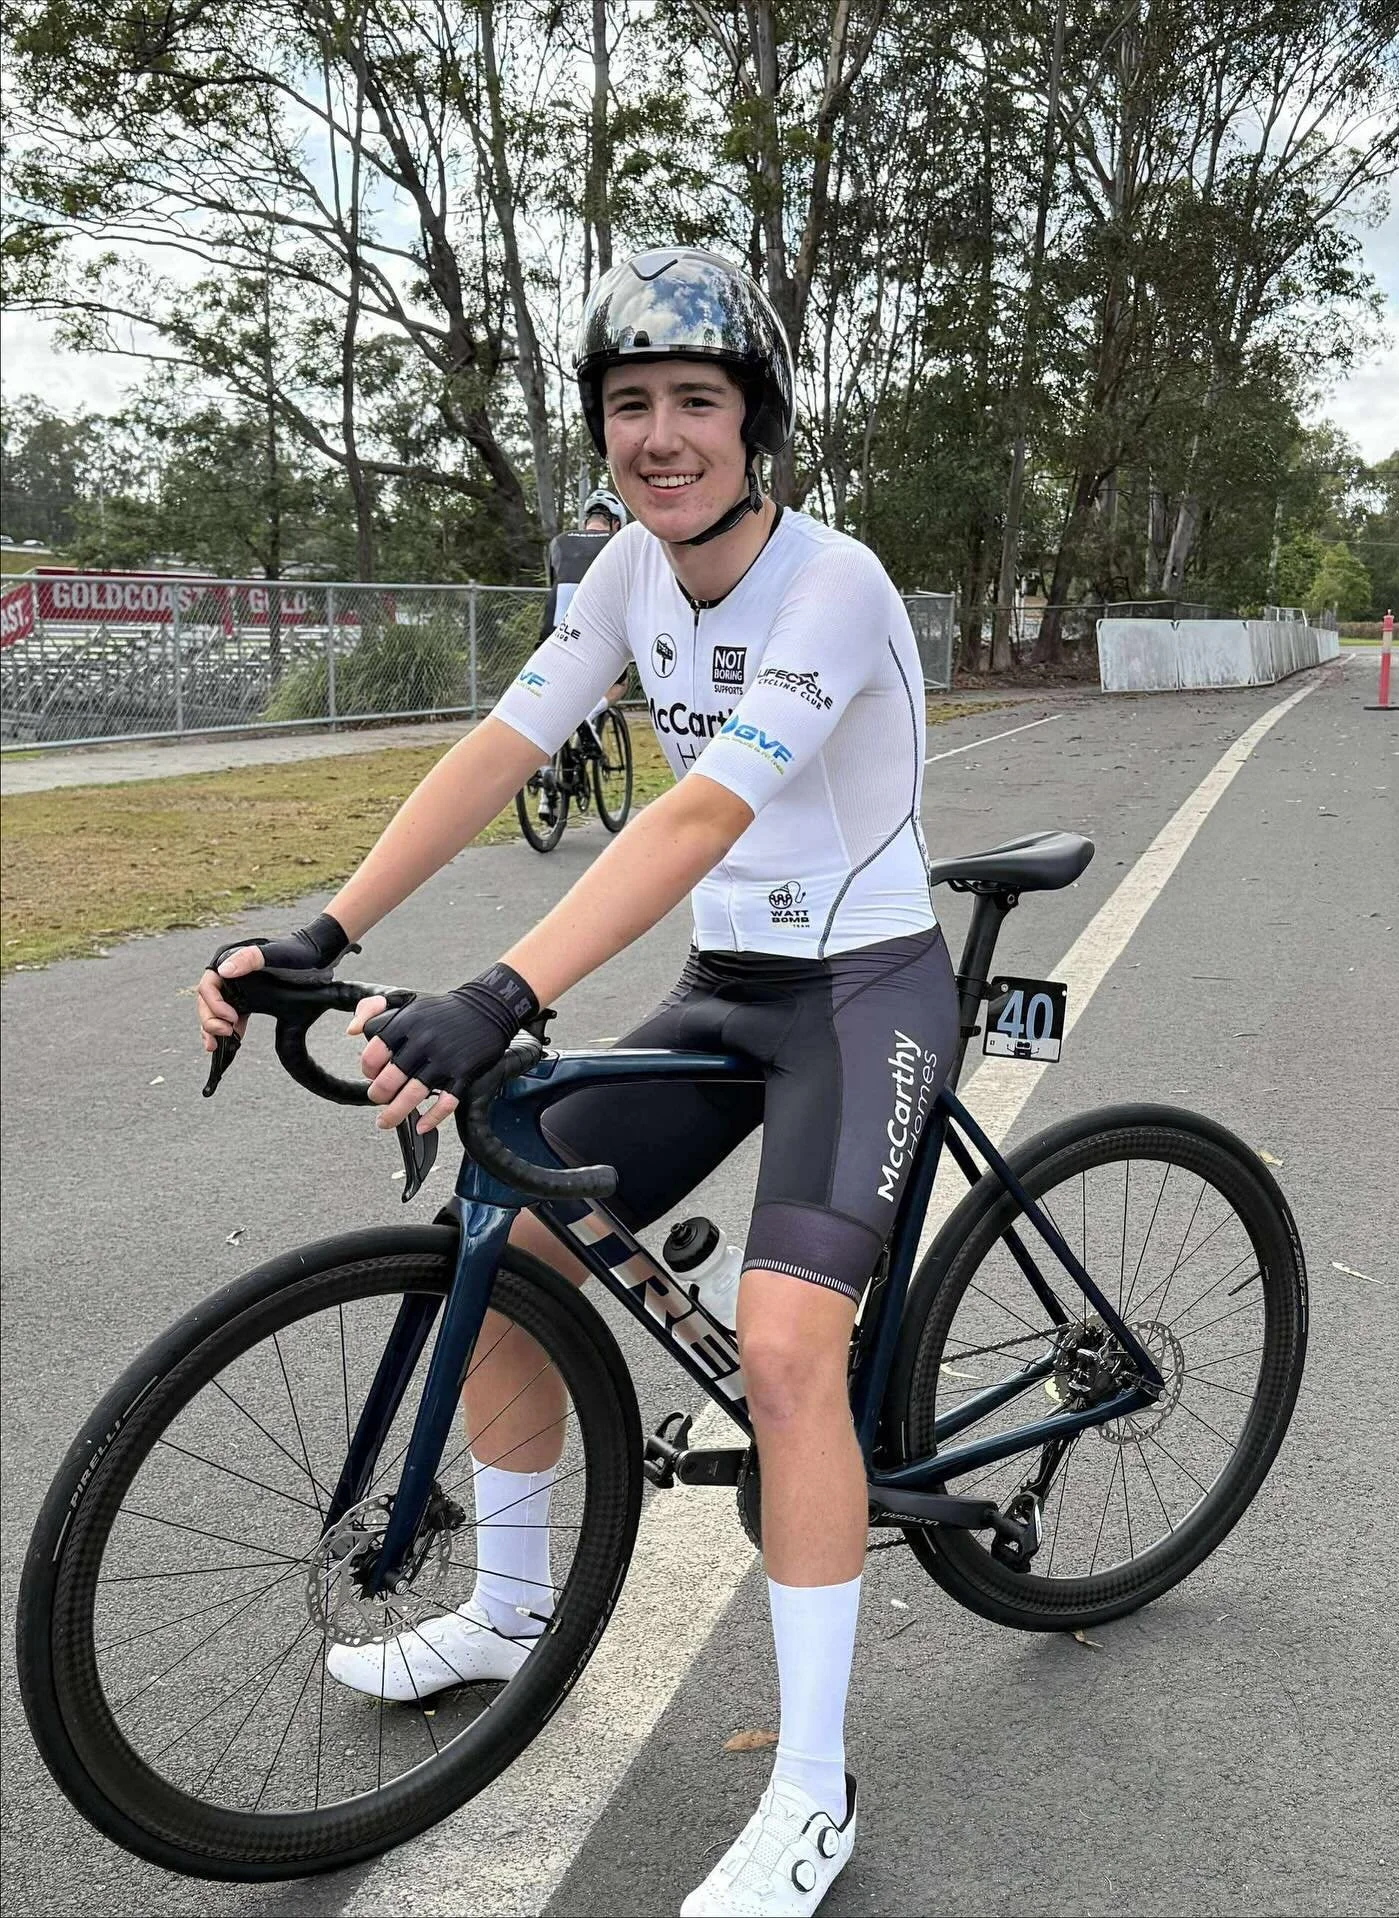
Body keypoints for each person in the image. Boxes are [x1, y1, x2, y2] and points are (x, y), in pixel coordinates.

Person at [196, 245, 957, 1918]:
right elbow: (499, 750)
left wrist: (507, 987)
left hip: (864, 989)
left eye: (696, 402)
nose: (661, 434)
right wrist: (322, 925)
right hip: (732, 984)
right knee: (524, 1245)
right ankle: (514, 1603)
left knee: (781, 1353)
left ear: (755, 424)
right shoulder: (622, 572)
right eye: (630, 406)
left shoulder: (832, 581)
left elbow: (701, 815)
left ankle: (813, 1788)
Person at [538, 488, 629, 819]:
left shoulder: (559, 542)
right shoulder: (618, 544)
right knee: (620, 682)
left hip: (553, 630)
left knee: (550, 703)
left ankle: (546, 792)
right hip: (594, 630)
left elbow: (556, 581)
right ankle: (591, 713)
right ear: (615, 523)